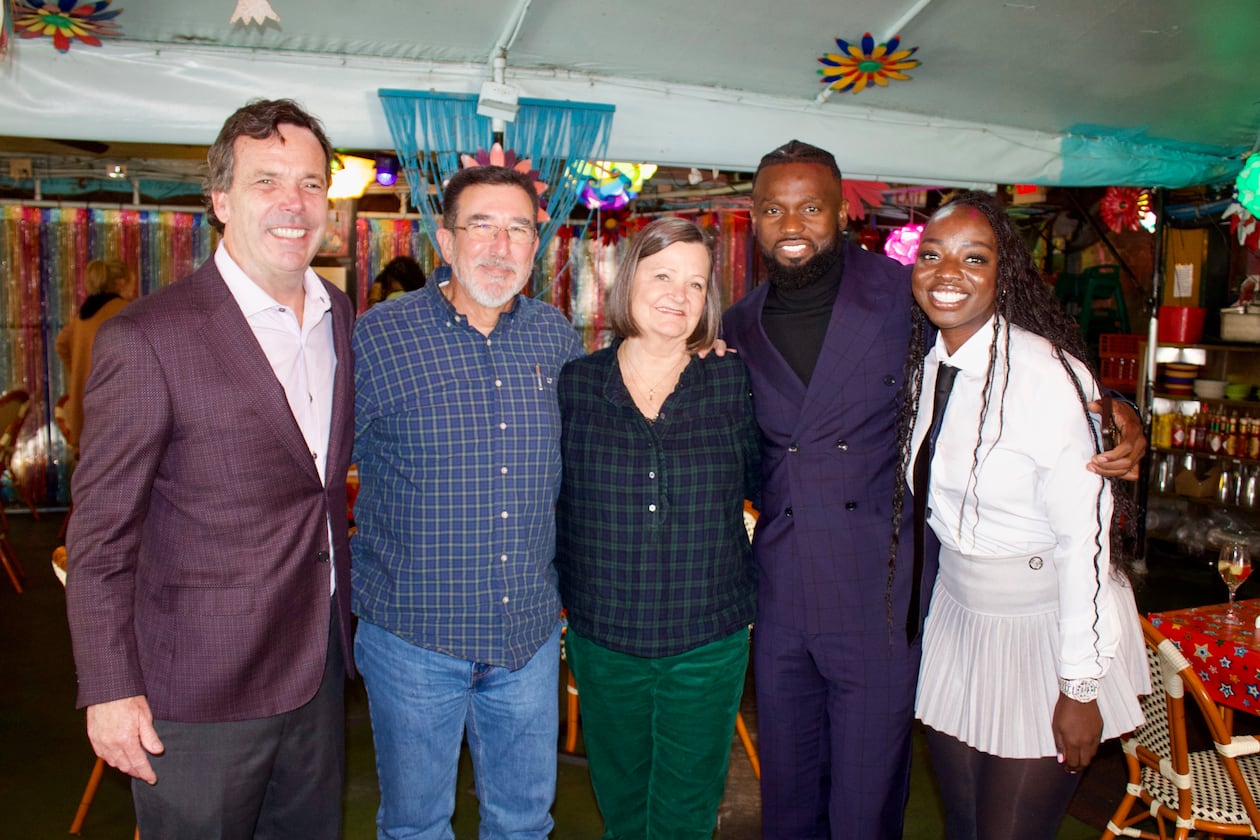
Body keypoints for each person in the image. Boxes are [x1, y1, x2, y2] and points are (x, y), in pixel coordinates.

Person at [720, 140, 1147, 839]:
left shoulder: (904, 294)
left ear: (843, 214)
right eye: (773, 209)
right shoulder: (740, 322)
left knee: (869, 801)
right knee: (795, 795)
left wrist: (1114, 410)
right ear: (753, 218)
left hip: (884, 589)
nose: (791, 224)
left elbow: (1021, 349)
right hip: (804, 589)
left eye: (810, 208)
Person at [64, 98, 356, 840]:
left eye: (311, 183)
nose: (294, 203)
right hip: (198, 688)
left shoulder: (340, 316)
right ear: (221, 199)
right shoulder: (148, 338)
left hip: (317, 670)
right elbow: (100, 535)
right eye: (267, 181)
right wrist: (109, 687)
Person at [890, 191, 1148, 838]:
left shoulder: (1047, 376)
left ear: (1003, 273)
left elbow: (1084, 541)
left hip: (1046, 628)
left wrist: (1079, 686)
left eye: (974, 257)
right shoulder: (922, 366)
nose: (948, 273)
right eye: (932, 255)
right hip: (961, 620)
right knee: (965, 826)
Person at [351, 164, 584, 839]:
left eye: (519, 229)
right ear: (446, 241)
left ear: (536, 245)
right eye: (481, 225)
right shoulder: (380, 338)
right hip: (414, 637)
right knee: (416, 826)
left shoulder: (556, 338)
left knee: (524, 824)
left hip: (526, 638)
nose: (500, 246)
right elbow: (314, 471)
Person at [554, 217, 760, 838]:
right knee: (621, 808)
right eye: (663, 275)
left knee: (685, 815)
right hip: (605, 637)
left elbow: (776, 485)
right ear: (629, 282)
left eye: (695, 283)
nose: (678, 294)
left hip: (707, 639)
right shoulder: (577, 385)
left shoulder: (734, 381)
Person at [55, 257, 133, 453]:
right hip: (116, 409)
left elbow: (61, 343)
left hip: (84, 406)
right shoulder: (124, 311)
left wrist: (79, 371)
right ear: (121, 282)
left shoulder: (83, 314)